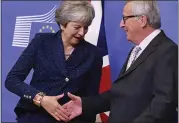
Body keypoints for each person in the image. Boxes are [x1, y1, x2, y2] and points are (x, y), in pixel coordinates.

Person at [62, 1, 178, 123]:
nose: (121, 24)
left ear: (142, 20)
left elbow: (163, 103)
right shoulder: (137, 50)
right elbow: (120, 93)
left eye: (125, 18)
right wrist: (85, 104)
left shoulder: (167, 51)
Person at [5, 1, 103, 123]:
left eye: (86, 27)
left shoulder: (94, 54)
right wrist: (41, 99)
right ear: (63, 25)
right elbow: (12, 80)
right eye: (77, 27)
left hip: (71, 119)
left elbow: (90, 99)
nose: (82, 32)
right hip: (35, 115)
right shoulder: (41, 42)